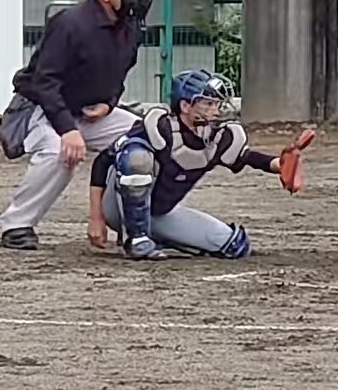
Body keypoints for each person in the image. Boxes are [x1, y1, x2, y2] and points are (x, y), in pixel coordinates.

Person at [0, 0, 155, 251]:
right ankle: (16, 225)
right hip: (41, 109)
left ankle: (131, 222)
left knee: (147, 138)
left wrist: (109, 104)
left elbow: (117, 77)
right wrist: (67, 129)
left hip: (90, 112)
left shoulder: (131, 27)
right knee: (60, 151)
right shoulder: (70, 23)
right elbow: (44, 82)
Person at [87, 68, 297, 260]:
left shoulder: (216, 137)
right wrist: (96, 217)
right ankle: (136, 240)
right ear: (185, 106)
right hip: (118, 207)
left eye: (216, 104)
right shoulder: (160, 127)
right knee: (136, 157)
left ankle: (159, 239)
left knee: (235, 246)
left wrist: (280, 165)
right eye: (207, 104)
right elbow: (103, 161)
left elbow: (247, 157)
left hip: (158, 212)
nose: (215, 110)